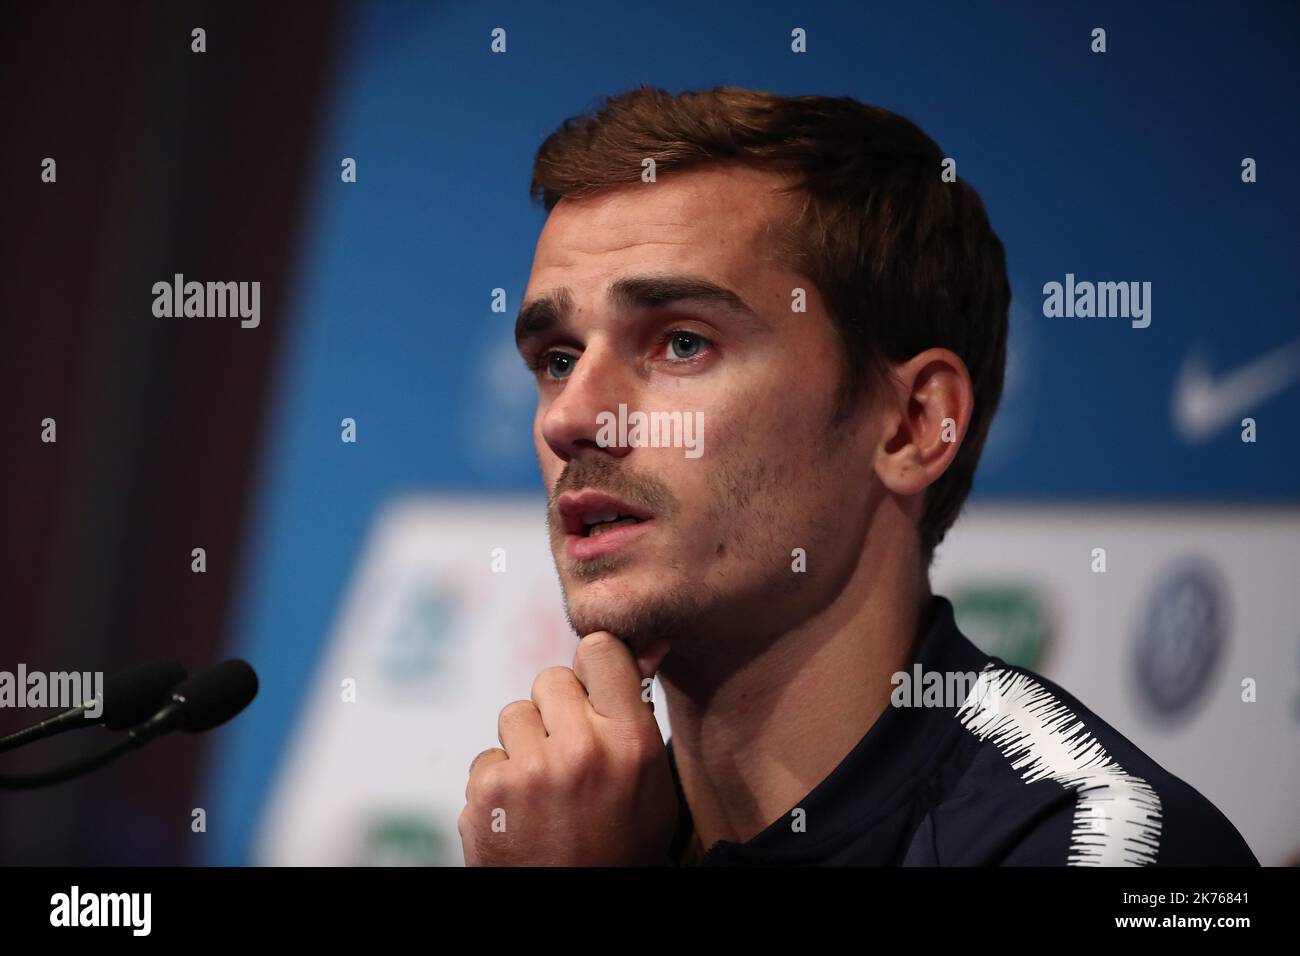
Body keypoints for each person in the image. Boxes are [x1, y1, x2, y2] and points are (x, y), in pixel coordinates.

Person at [458, 85, 1258, 866]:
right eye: (558, 360)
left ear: (913, 425)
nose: (572, 418)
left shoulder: (1115, 847)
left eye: (683, 344)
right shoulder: (577, 832)